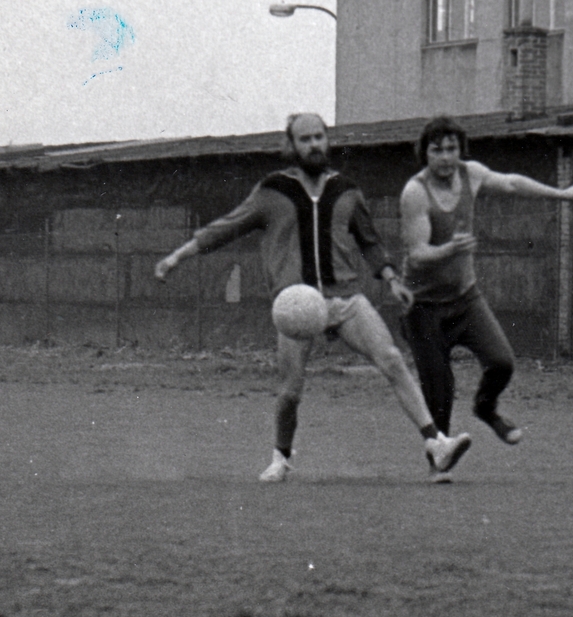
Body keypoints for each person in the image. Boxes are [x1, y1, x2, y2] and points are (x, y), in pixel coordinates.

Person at [154, 113, 472, 482]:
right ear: (291, 145)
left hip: (345, 298)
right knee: (290, 392)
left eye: (319, 137)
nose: (314, 145)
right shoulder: (273, 191)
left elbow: (369, 241)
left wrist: (390, 279)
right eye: (305, 139)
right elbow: (225, 228)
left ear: (327, 140)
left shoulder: (346, 190)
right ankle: (280, 457)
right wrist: (176, 257)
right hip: (296, 304)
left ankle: (436, 443)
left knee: (392, 360)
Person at [399, 116, 573, 480]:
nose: (446, 157)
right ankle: (437, 461)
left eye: (452, 149)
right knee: (440, 386)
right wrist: (449, 249)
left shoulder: (470, 173)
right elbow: (417, 254)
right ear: (425, 153)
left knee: (502, 362)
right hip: (423, 307)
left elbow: (512, 183)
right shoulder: (415, 192)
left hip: (465, 298)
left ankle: (485, 408)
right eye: (437, 150)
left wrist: (562, 194)